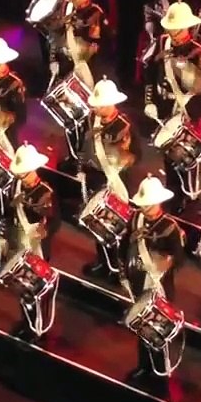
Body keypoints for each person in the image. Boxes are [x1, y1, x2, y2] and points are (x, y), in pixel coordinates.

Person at [142, 1, 201, 211]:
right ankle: (173, 191)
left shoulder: (197, 52)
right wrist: (149, 101)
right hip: (163, 105)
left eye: (176, 29)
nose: (172, 33)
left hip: (186, 108)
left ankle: (188, 192)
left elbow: (199, 87)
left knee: (185, 155)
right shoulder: (161, 43)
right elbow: (149, 75)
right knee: (167, 154)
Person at [123, 176, 187, 384]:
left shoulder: (170, 227)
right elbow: (124, 247)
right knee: (143, 325)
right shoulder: (135, 220)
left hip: (160, 284)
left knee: (159, 329)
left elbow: (179, 258)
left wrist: (163, 257)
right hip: (140, 280)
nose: (146, 208)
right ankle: (144, 365)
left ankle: (161, 368)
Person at [0, 144, 58, 341]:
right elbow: (8, 214)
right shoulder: (14, 188)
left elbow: (54, 220)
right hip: (18, 242)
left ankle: (37, 326)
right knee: (22, 287)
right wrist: (2, 236)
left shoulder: (45, 192)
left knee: (36, 290)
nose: (23, 176)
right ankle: (27, 321)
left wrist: (45, 230)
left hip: (36, 247)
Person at [79, 79, 136, 280]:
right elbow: (85, 146)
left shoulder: (124, 126)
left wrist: (122, 159)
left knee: (118, 229)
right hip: (96, 178)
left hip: (116, 181)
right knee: (99, 225)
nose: (97, 109)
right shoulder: (92, 121)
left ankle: (119, 268)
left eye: (100, 105)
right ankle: (103, 262)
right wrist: (82, 167)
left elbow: (136, 155)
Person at [53, 0, 106, 89]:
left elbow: (94, 46)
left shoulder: (95, 13)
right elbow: (57, 34)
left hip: (87, 66)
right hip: (66, 62)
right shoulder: (67, 7)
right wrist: (54, 58)